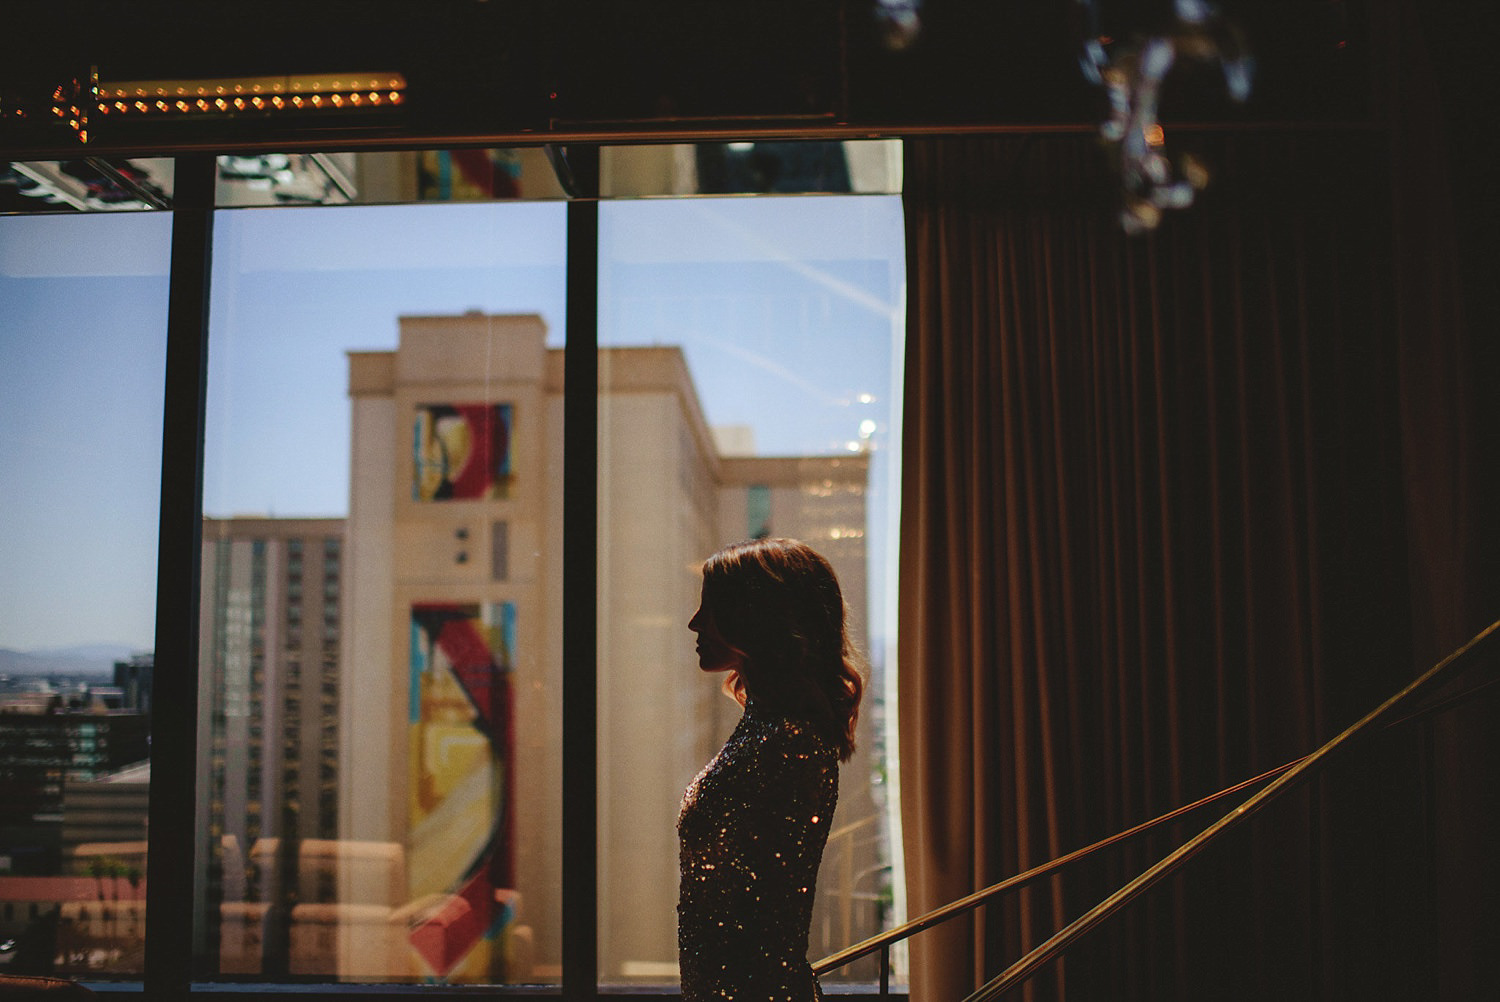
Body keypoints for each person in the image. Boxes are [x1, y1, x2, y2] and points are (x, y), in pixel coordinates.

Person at [677, 538, 865, 1002]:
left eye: (711, 608)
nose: (694, 622)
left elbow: (761, 920)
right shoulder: (767, 726)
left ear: (753, 618)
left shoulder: (788, 742)